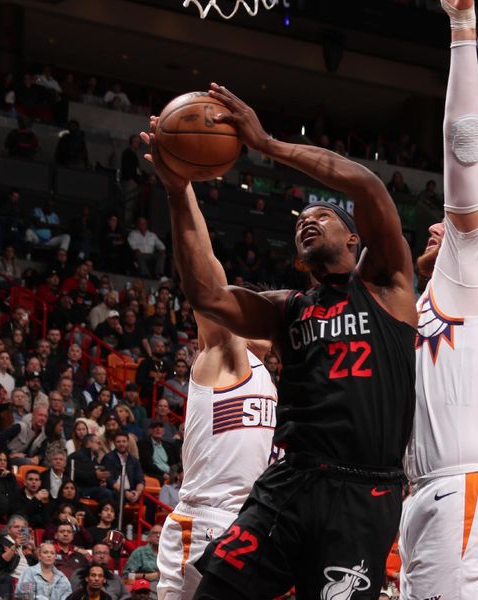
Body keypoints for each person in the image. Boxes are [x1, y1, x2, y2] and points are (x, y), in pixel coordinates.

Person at [145, 76, 416, 598]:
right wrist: (178, 192)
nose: (307, 222)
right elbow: (208, 295)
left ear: (355, 239)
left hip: (364, 491)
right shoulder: (287, 311)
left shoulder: (386, 286)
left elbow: (367, 186)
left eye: (321, 217)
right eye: (301, 223)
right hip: (290, 484)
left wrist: (267, 145)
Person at [399, 2, 478, 598]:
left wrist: (462, 25)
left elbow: (461, 141)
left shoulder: (473, 265)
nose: (435, 227)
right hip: (428, 496)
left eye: (447, 225)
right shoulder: (422, 302)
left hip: (464, 491)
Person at [149, 184, 280, 600]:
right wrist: (181, 190)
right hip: (205, 522)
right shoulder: (225, 353)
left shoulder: (272, 377)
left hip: (248, 522)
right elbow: (205, 272)